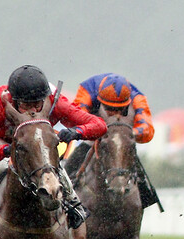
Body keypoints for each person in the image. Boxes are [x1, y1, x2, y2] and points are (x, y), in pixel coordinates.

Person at [0, 65, 107, 231]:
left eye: (37, 105)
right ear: (14, 101)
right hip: (8, 143)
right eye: (25, 105)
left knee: (51, 165)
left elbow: (99, 125)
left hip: (40, 144)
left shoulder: (54, 101)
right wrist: (5, 151)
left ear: (44, 99)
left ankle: (73, 202)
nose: (32, 111)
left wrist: (76, 132)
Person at [68, 73, 159, 209]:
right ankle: (65, 189)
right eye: (110, 109)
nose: (115, 114)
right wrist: (95, 131)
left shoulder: (138, 97)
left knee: (130, 157)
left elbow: (148, 130)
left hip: (122, 137)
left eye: (120, 109)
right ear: (100, 101)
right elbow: (74, 120)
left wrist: (130, 134)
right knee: (77, 155)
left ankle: (146, 198)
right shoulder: (86, 90)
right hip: (94, 135)